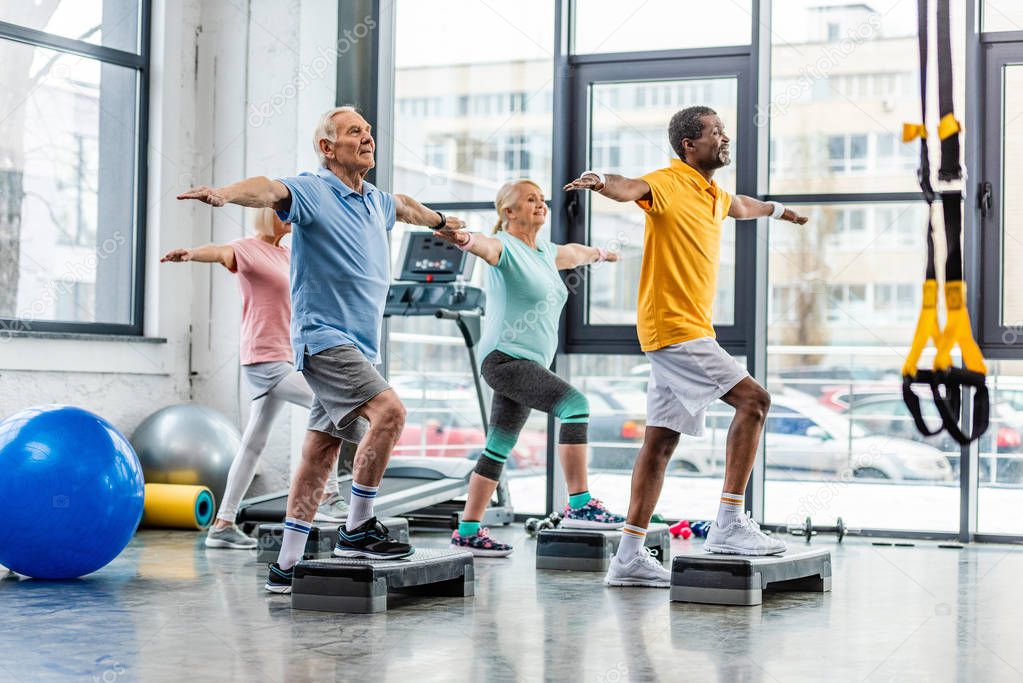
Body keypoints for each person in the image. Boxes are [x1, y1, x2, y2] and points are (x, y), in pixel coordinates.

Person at [178, 106, 465, 593]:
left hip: (360, 346)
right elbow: (268, 188)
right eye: (356, 131)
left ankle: (286, 567)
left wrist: (440, 221)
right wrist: (224, 194)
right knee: (390, 413)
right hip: (325, 339)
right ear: (328, 148)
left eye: (370, 130)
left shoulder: (375, 200)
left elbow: (407, 206)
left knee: (320, 451)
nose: (368, 137)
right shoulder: (312, 190)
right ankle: (356, 529)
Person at [564, 106, 809, 588]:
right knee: (755, 401)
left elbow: (741, 206)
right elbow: (629, 186)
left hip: (684, 330)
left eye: (723, 129)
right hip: (675, 329)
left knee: (660, 442)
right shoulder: (668, 182)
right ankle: (729, 524)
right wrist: (598, 179)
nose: (724, 137)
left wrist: (781, 211)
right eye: (715, 131)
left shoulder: (713, 193)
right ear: (688, 146)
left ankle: (629, 556)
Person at [436, 179, 626, 557]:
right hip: (506, 359)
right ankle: (580, 504)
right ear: (509, 212)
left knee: (498, 446)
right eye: (530, 200)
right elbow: (483, 245)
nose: (540, 204)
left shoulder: (544, 250)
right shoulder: (504, 246)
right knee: (576, 405)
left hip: (525, 362)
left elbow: (574, 253)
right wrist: (462, 239)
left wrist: (604, 254)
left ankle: (468, 530)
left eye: (542, 199)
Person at [161, 209, 349, 550]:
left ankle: (223, 524)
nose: (290, 220)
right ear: (266, 215)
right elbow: (220, 252)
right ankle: (326, 495)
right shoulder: (246, 248)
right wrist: (191, 254)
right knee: (330, 403)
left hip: (287, 357)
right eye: (283, 214)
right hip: (265, 358)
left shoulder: (288, 254)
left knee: (252, 444)